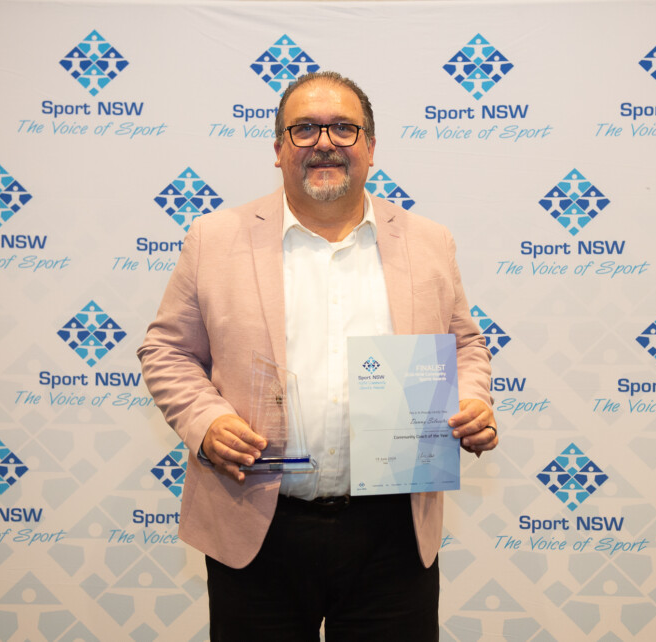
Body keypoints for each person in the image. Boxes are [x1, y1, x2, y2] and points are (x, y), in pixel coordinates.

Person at [137, 70, 497, 642]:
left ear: (371, 148)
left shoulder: (430, 241)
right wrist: (207, 423)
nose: (324, 142)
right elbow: (167, 351)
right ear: (278, 149)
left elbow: (466, 345)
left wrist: (472, 399)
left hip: (392, 535)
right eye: (303, 129)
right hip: (256, 528)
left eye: (343, 129)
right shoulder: (213, 238)